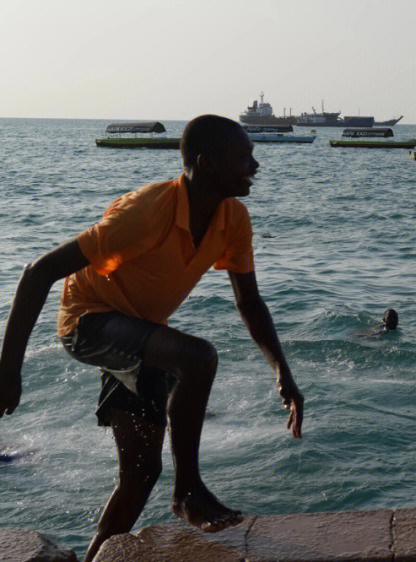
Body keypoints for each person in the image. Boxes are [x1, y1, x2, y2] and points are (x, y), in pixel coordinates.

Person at [0, 115, 303, 561]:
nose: (254, 166)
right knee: (197, 358)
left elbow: (250, 303)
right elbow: (36, 272)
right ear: (207, 163)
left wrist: (283, 374)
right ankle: (188, 492)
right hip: (88, 321)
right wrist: (9, 372)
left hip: (139, 336)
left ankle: (94, 557)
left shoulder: (233, 219)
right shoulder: (146, 212)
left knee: (140, 473)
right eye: (244, 157)